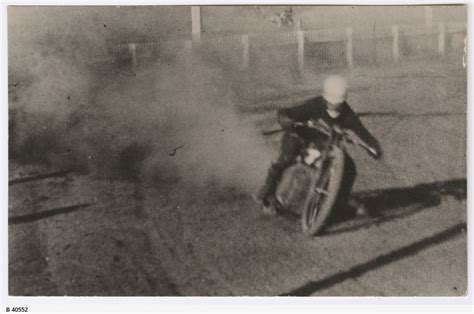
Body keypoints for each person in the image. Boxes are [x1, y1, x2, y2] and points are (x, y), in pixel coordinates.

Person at [257, 75, 382, 215]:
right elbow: (286, 113)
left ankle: (340, 200)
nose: (334, 106)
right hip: (301, 137)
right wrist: (286, 119)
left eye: (338, 103)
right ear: (324, 97)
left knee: (350, 168)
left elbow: (361, 131)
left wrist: (373, 146)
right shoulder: (314, 105)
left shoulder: (347, 114)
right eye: (331, 102)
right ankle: (268, 189)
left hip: (323, 144)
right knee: (288, 153)